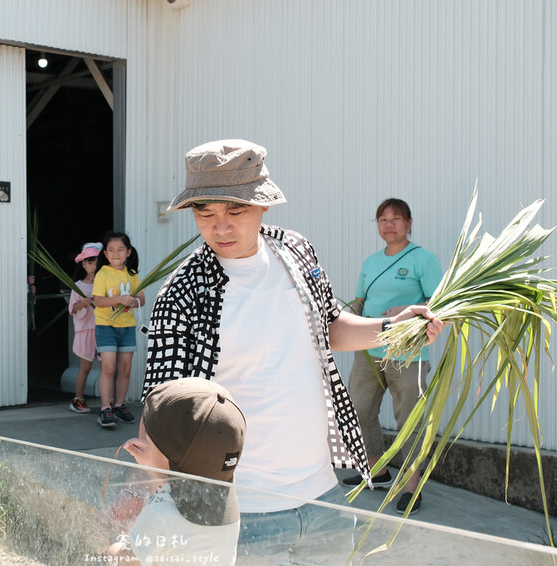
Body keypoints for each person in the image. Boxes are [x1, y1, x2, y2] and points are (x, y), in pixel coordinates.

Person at [142, 139, 444, 564]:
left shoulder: (295, 251)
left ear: (263, 204)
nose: (220, 228)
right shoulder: (183, 291)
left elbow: (330, 326)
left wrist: (394, 329)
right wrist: (152, 499)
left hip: (324, 497)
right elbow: (161, 403)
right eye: (205, 214)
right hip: (243, 510)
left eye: (235, 212)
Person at [341, 198, 443, 515]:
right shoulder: (371, 262)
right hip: (368, 352)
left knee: (409, 420)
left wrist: (407, 310)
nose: (389, 224)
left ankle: (412, 485)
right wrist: (345, 316)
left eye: (396, 218)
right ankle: (377, 470)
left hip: (407, 355)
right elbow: (360, 300)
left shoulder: (422, 259)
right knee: (359, 410)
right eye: (383, 219)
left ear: (409, 223)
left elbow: (439, 302)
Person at [107, 378, 245, 565]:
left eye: (147, 439)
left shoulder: (161, 514)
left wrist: (116, 540)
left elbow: (125, 561)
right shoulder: (225, 499)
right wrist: (153, 459)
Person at [92, 231, 145, 428]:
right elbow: (98, 301)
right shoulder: (102, 274)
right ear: (105, 254)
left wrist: (132, 301)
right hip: (106, 327)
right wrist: (119, 299)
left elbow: (141, 299)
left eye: (121, 250)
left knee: (125, 369)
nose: (116, 254)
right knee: (108, 368)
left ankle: (120, 405)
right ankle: (106, 408)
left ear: (128, 252)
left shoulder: (132, 275)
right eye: (111, 250)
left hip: (127, 327)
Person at [67, 242, 102, 413]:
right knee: (85, 366)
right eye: (89, 262)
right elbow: (72, 309)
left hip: (102, 328)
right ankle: (78, 398)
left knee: (106, 367)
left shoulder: (104, 283)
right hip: (85, 330)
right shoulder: (78, 286)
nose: (93, 265)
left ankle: (108, 401)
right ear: (83, 264)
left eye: (96, 261)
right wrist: (84, 303)